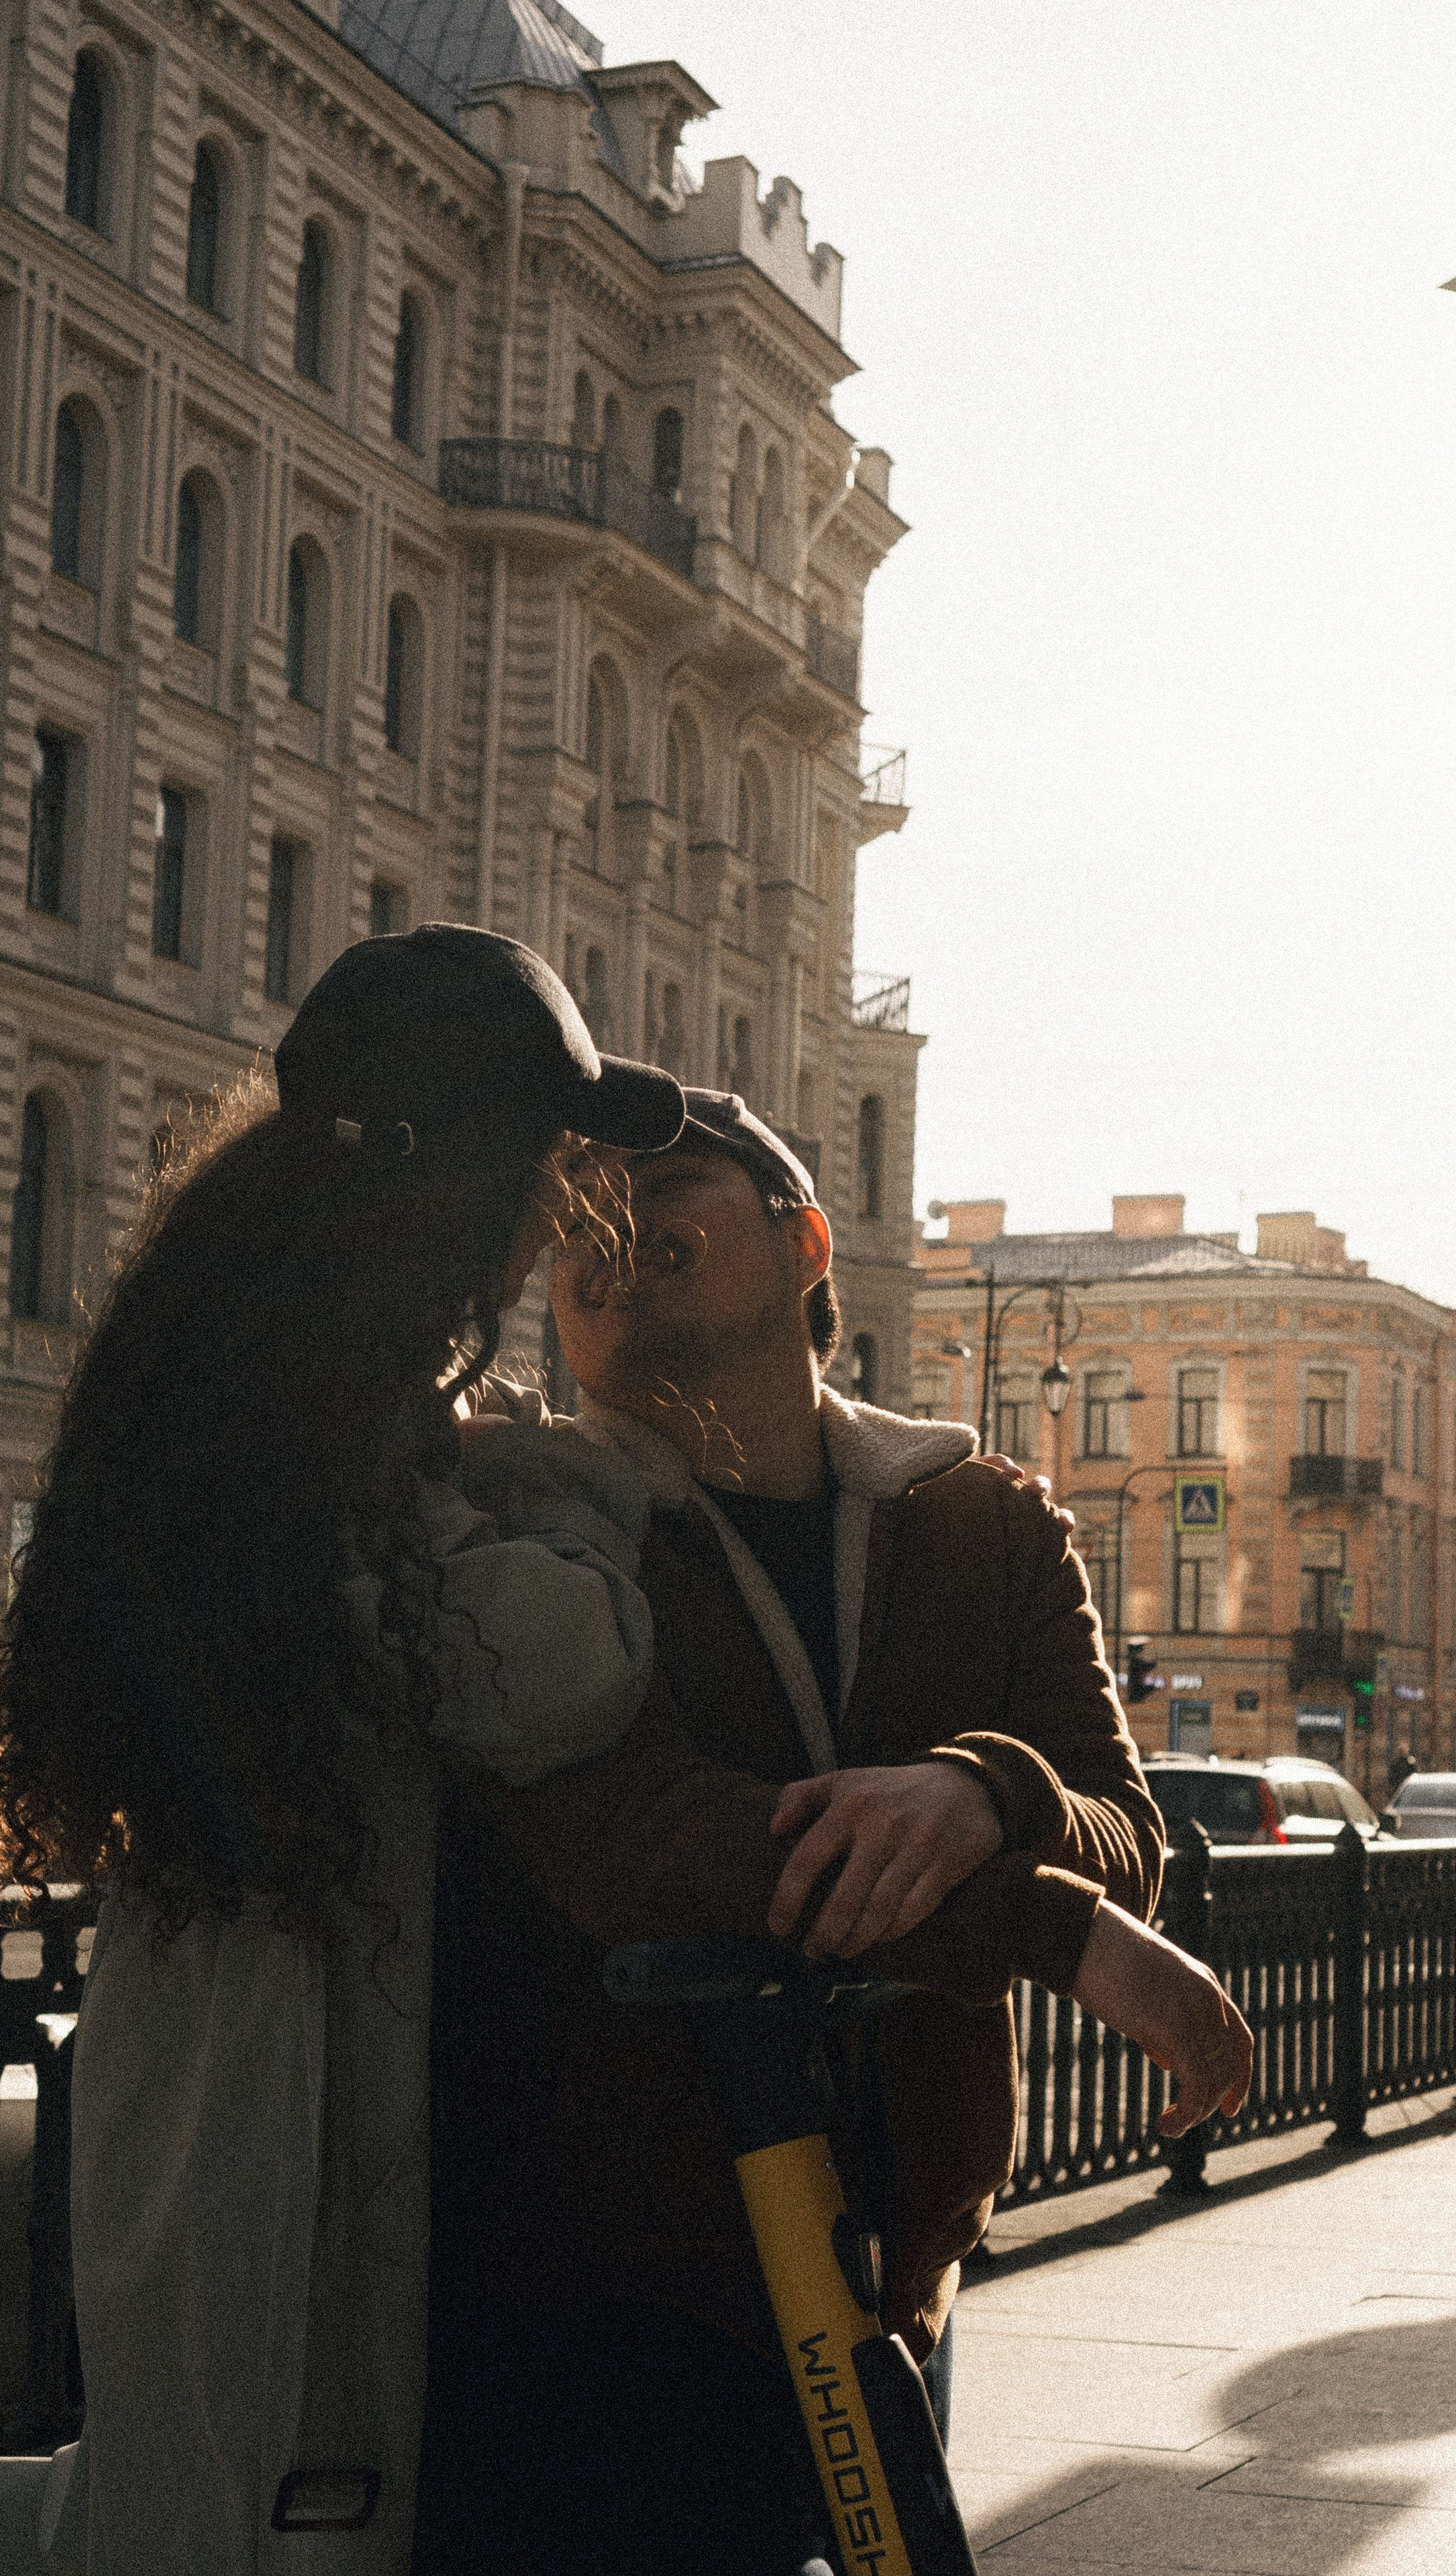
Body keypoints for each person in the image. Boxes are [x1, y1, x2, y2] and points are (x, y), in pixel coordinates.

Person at [0, 926, 686, 2576]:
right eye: (542, 1156)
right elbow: (553, 1671)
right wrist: (587, 1478)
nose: (564, 1201)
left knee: (207, 2507)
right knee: (257, 2520)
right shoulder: (334, 1448)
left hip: (241, 2055)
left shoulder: (255, 1388)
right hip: (289, 2109)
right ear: (445, 1177)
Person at [413, 1089, 1254, 2576]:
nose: (605, 1229)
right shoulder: (531, 1516)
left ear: (805, 1239)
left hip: (896, 2278)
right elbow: (632, 1839)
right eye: (573, 1217)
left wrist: (983, 1786)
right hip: (606, 2306)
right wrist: (1049, 1933)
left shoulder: (982, 1518)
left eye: (662, 1185)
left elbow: (1127, 1828)